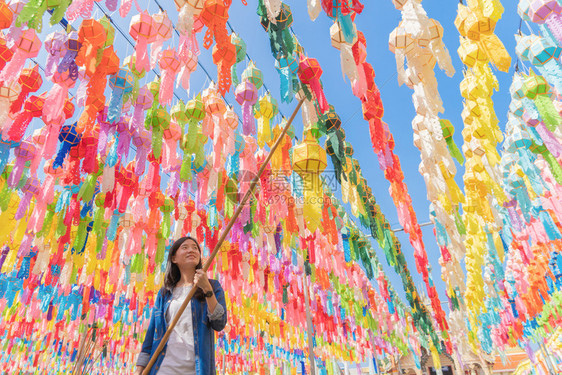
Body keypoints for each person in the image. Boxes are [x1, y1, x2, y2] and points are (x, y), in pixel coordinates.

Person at [134, 236, 227, 375]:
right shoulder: (165, 294)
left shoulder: (213, 286)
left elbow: (219, 323)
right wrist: (139, 369)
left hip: (197, 369)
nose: (191, 250)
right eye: (185, 247)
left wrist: (207, 289)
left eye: (195, 248)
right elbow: (152, 333)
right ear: (174, 258)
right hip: (164, 368)